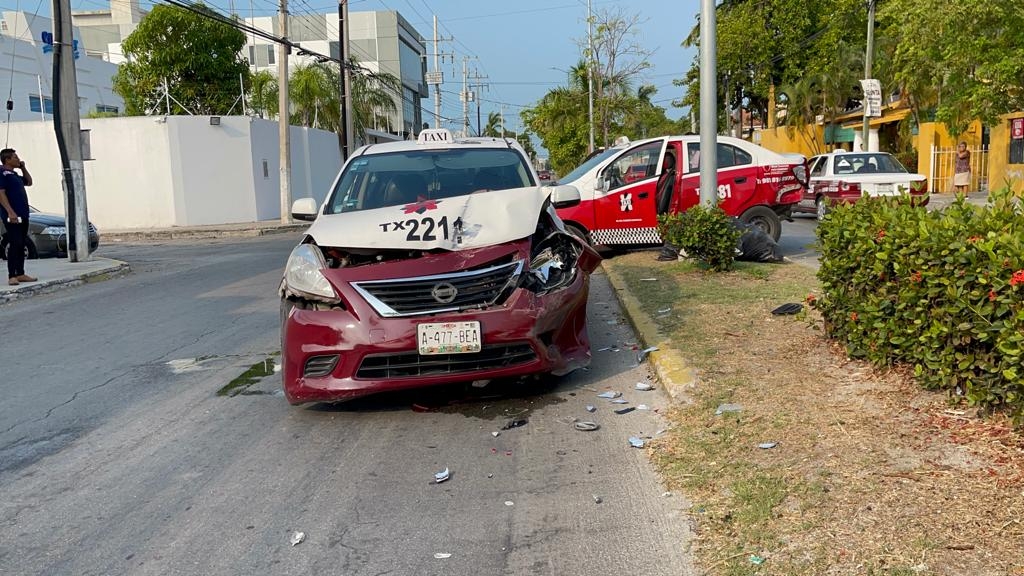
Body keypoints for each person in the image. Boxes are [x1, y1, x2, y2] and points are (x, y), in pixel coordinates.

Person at [0, 148, 36, 286]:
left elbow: (29, 181)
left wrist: (23, 168)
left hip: (23, 214)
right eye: (15, 157)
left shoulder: (14, 174)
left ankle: (20, 273)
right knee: (15, 244)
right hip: (12, 215)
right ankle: (12, 275)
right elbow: (1, 193)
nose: (18, 159)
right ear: (7, 160)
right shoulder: (2, 172)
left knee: (21, 243)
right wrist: (10, 211)